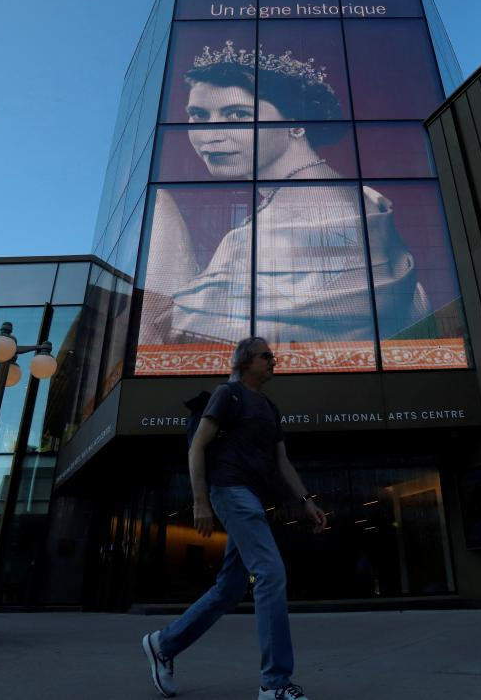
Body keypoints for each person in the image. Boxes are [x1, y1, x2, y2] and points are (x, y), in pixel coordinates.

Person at [137, 40, 430, 363]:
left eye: (237, 114)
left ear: (296, 123)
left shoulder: (298, 221)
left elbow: (176, 344)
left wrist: (161, 213)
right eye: (198, 115)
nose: (210, 134)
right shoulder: (357, 197)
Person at [141, 336, 328, 700]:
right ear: (245, 361)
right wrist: (200, 502)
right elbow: (198, 446)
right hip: (230, 491)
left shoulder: (271, 408)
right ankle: (274, 684)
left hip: (254, 499)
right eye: (266, 356)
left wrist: (306, 500)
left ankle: (164, 643)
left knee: (228, 590)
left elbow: (282, 461)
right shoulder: (229, 395)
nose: (274, 361)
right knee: (271, 573)